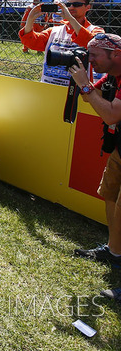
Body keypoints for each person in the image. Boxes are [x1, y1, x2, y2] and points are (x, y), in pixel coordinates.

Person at [68, 34, 121, 276]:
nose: (90, 60)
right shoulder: (112, 75)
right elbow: (89, 96)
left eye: (95, 55)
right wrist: (85, 84)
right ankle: (114, 251)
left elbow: (110, 115)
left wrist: (86, 84)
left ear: (115, 55)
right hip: (119, 148)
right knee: (109, 194)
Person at [19, 0, 103, 86]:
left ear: (88, 7)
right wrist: (30, 20)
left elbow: (93, 44)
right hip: (50, 87)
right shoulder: (54, 31)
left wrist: (70, 19)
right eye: (68, 5)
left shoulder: (96, 31)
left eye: (76, 5)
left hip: (79, 91)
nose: (71, 7)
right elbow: (31, 42)